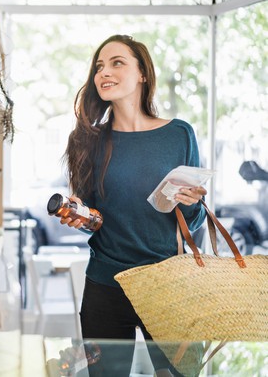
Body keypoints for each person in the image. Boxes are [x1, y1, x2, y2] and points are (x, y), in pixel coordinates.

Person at [59, 34, 208, 376]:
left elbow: (194, 220)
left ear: (142, 74)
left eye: (117, 63)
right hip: (106, 288)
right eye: (99, 66)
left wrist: (188, 203)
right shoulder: (88, 139)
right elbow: (92, 215)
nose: (103, 73)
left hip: (170, 288)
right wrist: (79, 213)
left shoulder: (179, 134)